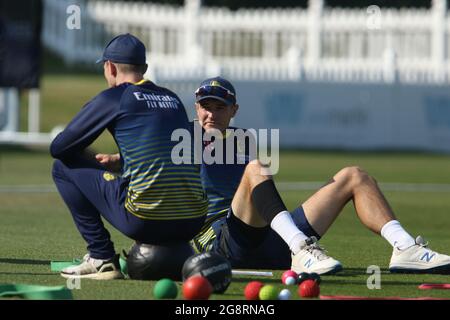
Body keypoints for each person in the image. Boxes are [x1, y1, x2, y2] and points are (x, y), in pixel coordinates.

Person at [190, 76, 450, 275]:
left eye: (219, 108)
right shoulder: (184, 140)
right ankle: (302, 249)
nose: (211, 114)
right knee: (257, 168)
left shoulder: (241, 140)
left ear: (234, 110)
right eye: (205, 107)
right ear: (196, 108)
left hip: (271, 240)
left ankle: (406, 248)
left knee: (354, 176)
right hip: (225, 243)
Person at [50, 34, 208, 280]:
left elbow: (60, 147)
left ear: (109, 67)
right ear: (144, 69)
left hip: (145, 221)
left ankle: (101, 257)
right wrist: (119, 160)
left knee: (62, 167)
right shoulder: (173, 99)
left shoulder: (115, 97)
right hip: (193, 222)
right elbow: (167, 154)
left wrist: (90, 159)